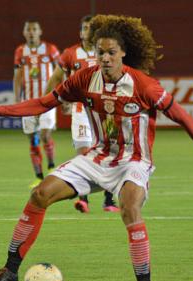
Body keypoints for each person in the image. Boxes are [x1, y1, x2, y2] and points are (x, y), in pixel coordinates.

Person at [0, 15, 193, 281]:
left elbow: (182, 116)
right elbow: (44, 103)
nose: (105, 58)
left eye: (111, 53)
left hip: (134, 162)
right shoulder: (84, 78)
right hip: (97, 157)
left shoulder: (144, 86)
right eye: (100, 52)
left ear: (123, 53)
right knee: (40, 194)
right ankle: (10, 270)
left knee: (129, 209)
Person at [44, 15, 118, 214]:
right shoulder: (70, 54)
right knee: (84, 154)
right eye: (85, 28)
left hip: (106, 112)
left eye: (92, 28)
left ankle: (109, 200)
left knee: (111, 151)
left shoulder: (106, 53)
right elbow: (56, 79)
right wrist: (48, 103)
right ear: (80, 32)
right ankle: (83, 199)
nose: (88, 32)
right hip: (81, 112)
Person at [13, 20, 60, 188]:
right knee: (32, 139)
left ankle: (52, 167)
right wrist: (17, 98)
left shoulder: (50, 49)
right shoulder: (20, 51)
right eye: (28, 29)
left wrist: (60, 93)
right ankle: (39, 176)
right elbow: (17, 76)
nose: (31, 32)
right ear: (24, 32)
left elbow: (61, 72)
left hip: (46, 101)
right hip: (28, 102)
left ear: (40, 31)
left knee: (45, 134)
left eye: (34, 29)